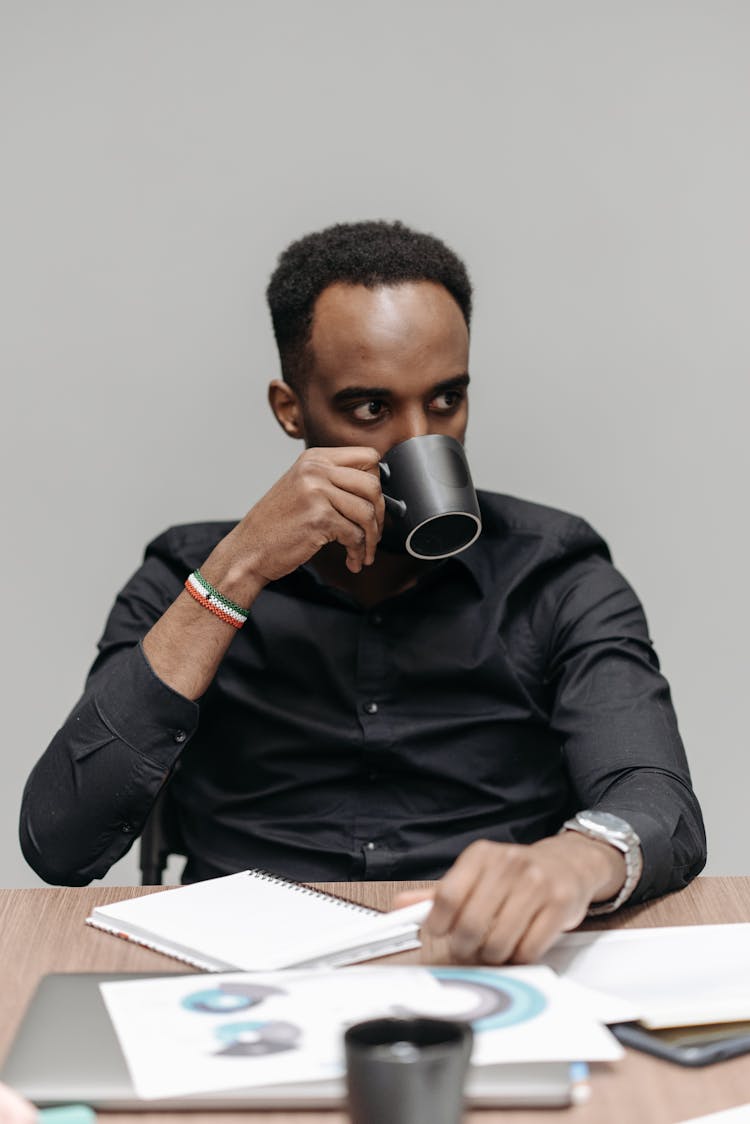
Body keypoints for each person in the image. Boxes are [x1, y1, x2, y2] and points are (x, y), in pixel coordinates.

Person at [20, 220, 706, 964]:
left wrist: (571, 864)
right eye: (371, 409)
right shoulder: (187, 575)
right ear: (291, 409)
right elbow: (61, 844)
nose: (419, 440)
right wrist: (236, 573)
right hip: (238, 971)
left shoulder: (553, 573)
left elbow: (656, 798)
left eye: (446, 401)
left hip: (481, 954)